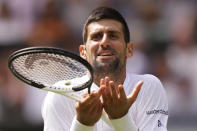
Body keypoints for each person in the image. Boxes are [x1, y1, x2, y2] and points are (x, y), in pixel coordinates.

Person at [42, 7, 168, 131]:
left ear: (129, 50)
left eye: (113, 36)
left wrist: (120, 118)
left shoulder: (148, 86)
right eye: (96, 36)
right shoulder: (60, 95)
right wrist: (82, 124)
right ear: (83, 52)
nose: (104, 42)